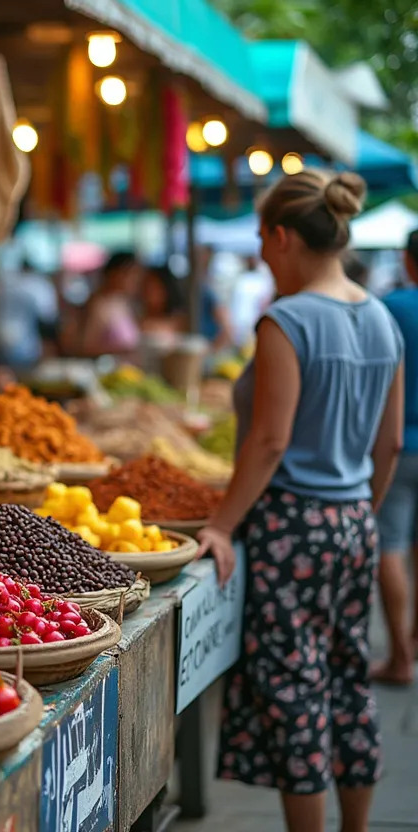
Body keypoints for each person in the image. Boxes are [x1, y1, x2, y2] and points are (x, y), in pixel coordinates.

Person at [197, 171, 403, 832]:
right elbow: (390, 444)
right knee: (347, 676)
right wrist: (359, 514)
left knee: (294, 689)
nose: (261, 254)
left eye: (262, 240)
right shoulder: (382, 317)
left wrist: (222, 526)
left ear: (283, 237)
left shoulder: (286, 320)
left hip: (290, 527)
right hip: (352, 522)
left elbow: (268, 439)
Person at [374, 228, 418, 685]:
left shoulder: (391, 309)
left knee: (391, 547)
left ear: (408, 261)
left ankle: (401, 657)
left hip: (401, 444)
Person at [78, 252, 142, 357]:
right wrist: (120, 351)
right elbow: (86, 348)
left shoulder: (123, 302)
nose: (134, 280)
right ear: (112, 274)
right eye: (129, 275)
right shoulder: (98, 305)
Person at [140, 264, 186, 337]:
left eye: (154, 289)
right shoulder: (138, 315)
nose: (148, 293)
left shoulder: (180, 319)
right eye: (146, 287)